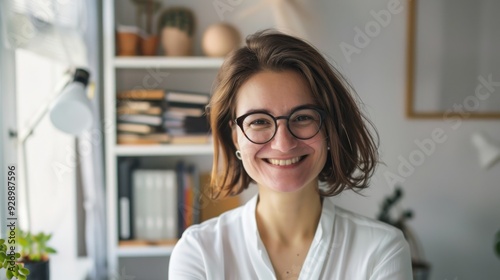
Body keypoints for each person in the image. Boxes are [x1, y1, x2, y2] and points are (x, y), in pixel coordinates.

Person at [169, 30, 412, 280]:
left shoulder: (381, 250)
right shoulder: (198, 252)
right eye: (260, 121)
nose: (283, 144)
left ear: (331, 130)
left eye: (303, 117)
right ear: (235, 138)